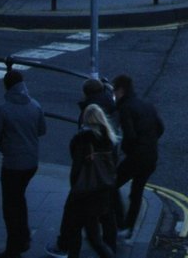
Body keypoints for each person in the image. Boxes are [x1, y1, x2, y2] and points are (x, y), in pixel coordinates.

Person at [0, 66, 46, 258]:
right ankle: (24, 236)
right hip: (31, 162)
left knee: (10, 206)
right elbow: (41, 130)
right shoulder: (35, 105)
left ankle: (14, 247)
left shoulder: (3, 109)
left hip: (12, 163)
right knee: (19, 199)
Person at [60, 102, 119, 258]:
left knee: (85, 233)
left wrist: (74, 188)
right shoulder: (110, 139)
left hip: (85, 192)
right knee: (91, 232)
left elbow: (77, 167)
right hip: (103, 189)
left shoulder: (82, 139)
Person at [112, 73, 165, 238]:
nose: (114, 95)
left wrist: (125, 151)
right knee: (137, 192)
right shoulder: (147, 105)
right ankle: (129, 228)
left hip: (136, 156)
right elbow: (160, 127)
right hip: (151, 155)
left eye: (115, 91)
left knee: (111, 186)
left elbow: (129, 135)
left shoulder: (125, 107)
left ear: (120, 90)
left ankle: (120, 224)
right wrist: (149, 142)